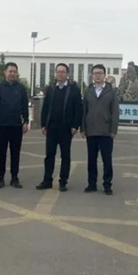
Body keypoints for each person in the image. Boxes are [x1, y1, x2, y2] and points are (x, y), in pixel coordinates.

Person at [37, 63, 82, 192]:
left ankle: (63, 181)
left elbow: (78, 109)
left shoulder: (73, 89)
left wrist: (75, 125)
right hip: (52, 127)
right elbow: (46, 107)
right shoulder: (51, 88)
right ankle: (47, 180)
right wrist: (43, 124)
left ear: (67, 74)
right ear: (55, 74)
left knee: (65, 156)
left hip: (66, 128)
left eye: (63, 72)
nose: (60, 74)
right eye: (58, 72)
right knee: (49, 155)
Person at [81, 64, 120, 195]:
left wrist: (114, 129)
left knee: (106, 159)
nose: (97, 75)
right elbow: (84, 111)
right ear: (92, 75)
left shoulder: (111, 92)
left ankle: (107, 185)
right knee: (91, 159)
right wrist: (83, 128)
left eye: (100, 73)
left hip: (106, 131)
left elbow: (115, 112)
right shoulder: (88, 91)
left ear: (104, 75)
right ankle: (91, 184)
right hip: (91, 131)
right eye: (95, 73)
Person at [0, 62, 29, 188]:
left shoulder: (21, 88)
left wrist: (26, 121)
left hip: (16, 126)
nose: (12, 74)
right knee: (1, 153)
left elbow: (25, 106)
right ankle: (0, 177)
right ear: (5, 72)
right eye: (10, 71)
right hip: (2, 126)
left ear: (17, 73)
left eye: (14, 71)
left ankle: (14, 177)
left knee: (15, 153)